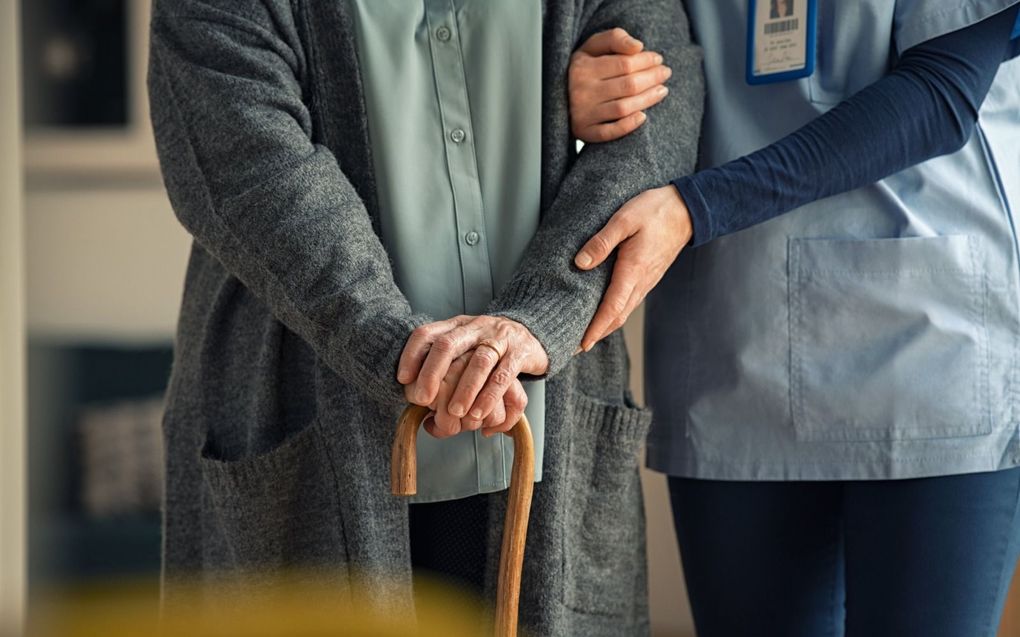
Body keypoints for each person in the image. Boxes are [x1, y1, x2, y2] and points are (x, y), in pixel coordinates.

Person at [147, 1, 701, 635]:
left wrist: (538, 320)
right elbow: (247, 166)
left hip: (547, 428)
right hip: (310, 424)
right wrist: (400, 347)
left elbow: (655, 132)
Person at [561, 1, 1020, 635]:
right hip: (734, 337)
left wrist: (698, 208)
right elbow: (603, 33)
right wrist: (568, 95)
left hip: (927, 350)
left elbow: (942, 94)